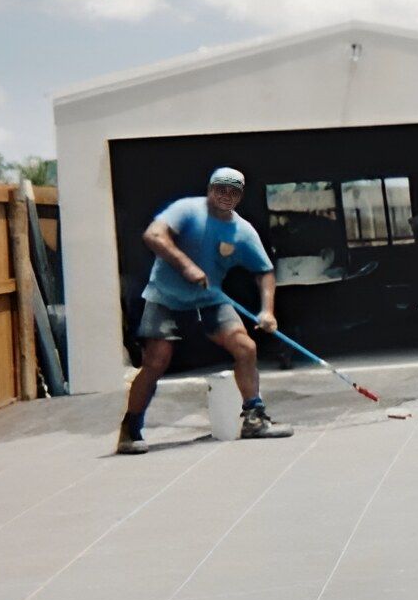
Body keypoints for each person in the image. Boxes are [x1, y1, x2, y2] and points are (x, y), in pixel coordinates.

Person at [117, 167, 292, 455]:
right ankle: (130, 428)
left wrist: (267, 311)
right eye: (220, 189)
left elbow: (265, 272)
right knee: (156, 362)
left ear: (240, 195)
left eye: (233, 191)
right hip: (165, 297)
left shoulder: (242, 231)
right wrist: (185, 265)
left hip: (210, 298)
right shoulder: (186, 210)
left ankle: (254, 418)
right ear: (210, 189)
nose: (226, 196)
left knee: (245, 347)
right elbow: (153, 235)